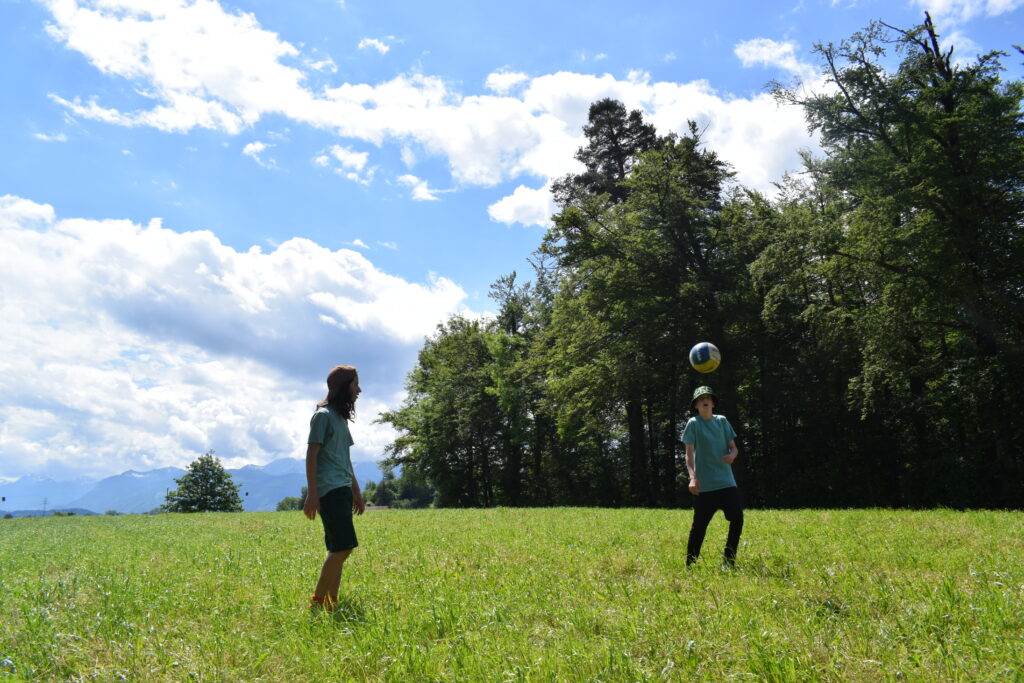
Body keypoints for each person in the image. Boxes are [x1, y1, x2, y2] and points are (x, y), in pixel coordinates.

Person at [303, 364, 366, 610]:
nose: (359, 390)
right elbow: (311, 455)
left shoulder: (340, 419)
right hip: (329, 490)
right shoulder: (323, 416)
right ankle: (318, 601)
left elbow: (345, 460)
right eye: (355, 384)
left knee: (340, 547)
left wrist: (356, 492)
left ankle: (331, 601)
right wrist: (312, 493)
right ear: (343, 387)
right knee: (342, 547)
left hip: (342, 489)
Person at [682, 385, 742, 567]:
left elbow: (734, 448)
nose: (705, 401)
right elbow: (688, 455)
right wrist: (692, 478)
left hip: (726, 482)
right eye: (701, 399)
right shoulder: (693, 423)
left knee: (737, 519)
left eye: (707, 398)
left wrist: (732, 455)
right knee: (699, 527)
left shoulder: (722, 421)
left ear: (713, 403)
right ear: (696, 406)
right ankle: (690, 565)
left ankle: (728, 561)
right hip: (705, 486)